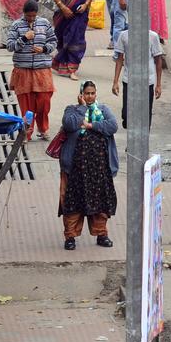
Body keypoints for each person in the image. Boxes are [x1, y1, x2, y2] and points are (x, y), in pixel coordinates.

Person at [59, 81, 119, 250]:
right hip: (75, 168)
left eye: (92, 93)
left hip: (99, 169)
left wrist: (91, 125)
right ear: (81, 94)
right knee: (72, 202)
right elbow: (69, 124)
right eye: (87, 93)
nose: (90, 96)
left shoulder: (104, 110)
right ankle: (70, 237)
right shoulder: (72, 110)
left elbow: (113, 126)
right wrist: (83, 108)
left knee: (100, 201)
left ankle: (101, 234)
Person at [7, 0, 58, 141]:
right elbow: (10, 46)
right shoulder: (16, 25)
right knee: (26, 106)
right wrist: (24, 38)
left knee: (44, 102)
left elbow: (53, 41)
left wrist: (44, 49)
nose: (31, 19)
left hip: (42, 70)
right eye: (28, 16)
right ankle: (26, 133)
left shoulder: (44, 23)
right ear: (24, 14)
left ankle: (43, 129)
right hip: (23, 71)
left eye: (33, 16)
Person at [50, 0, 95, 80]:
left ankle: (72, 69)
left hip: (79, 16)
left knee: (76, 40)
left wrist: (86, 5)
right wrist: (63, 8)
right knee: (63, 40)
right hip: (63, 15)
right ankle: (61, 64)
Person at [112, 26, 165, 130]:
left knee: (145, 116)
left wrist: (158, 84)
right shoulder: (124, 36)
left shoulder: (152, 36)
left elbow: (158, 60)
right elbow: (119, 59)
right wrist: (115, 82)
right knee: (127, 114)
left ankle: (143, 143)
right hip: (129, 80)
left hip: (147, 82)